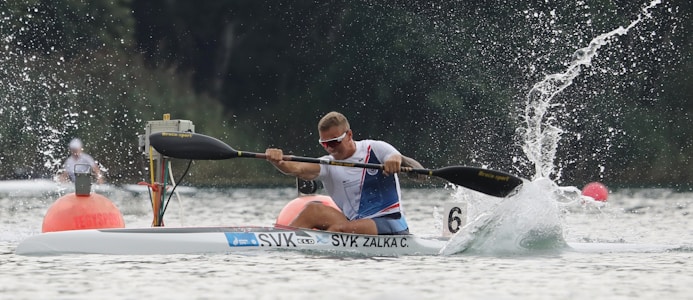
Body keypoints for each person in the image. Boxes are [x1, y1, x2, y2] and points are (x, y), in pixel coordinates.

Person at [265, 111, 412, 235]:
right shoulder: (327, 164)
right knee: (312, 210)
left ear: (349, 135)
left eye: (334, 142)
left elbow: (398, 158)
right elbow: (297, 168)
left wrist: (395, 162)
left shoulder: (375, 148)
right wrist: (278, 162)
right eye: (324, 144)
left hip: (391, 223)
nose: (329, 148)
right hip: (354, 224)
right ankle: (281, 240)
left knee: (339, 229)